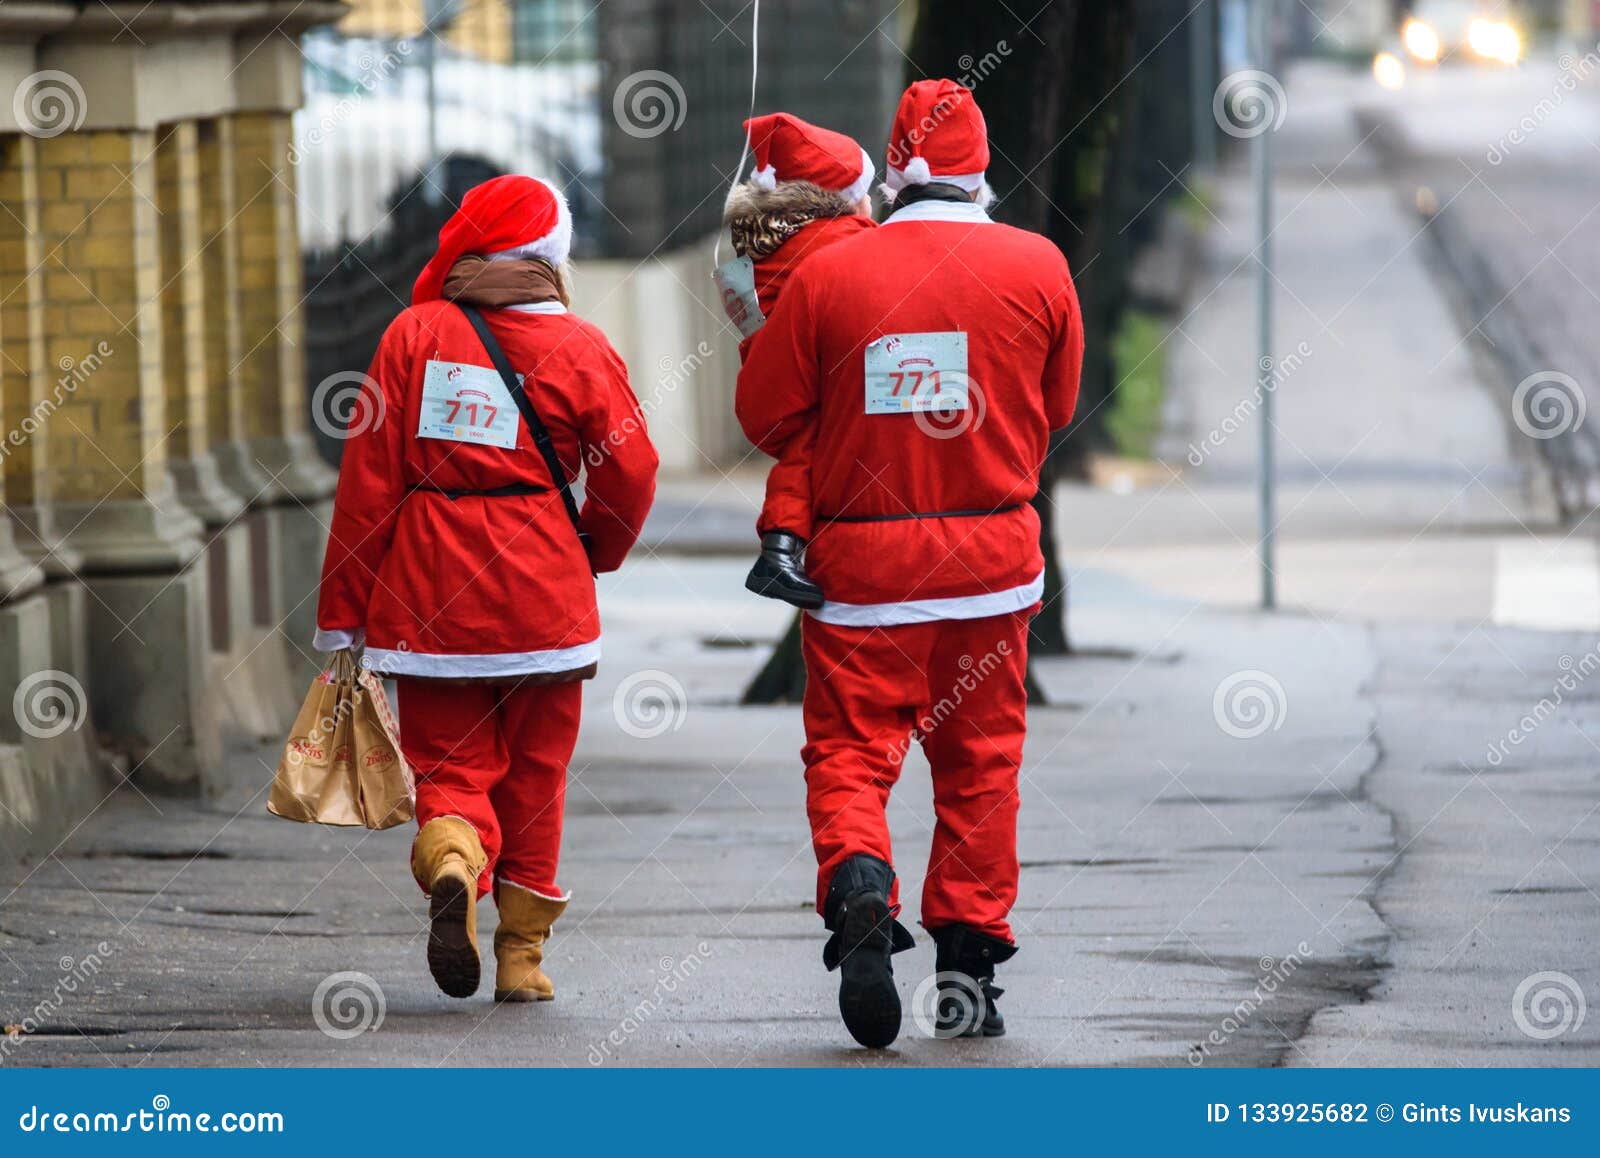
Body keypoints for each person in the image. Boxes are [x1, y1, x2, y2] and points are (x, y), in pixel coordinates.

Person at [735, 80, 1084, 1048]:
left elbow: (766, 417)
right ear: (983, 174)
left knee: (850, 751)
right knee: (979, 766)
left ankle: (858, 878)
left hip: (861, 572)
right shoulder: (1039, 265)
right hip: (991, 563)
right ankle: (968, 970)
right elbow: (1055, 410)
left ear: (891, 173)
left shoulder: (829, 278)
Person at [314, 175, 659, 1003]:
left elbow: (367, 483)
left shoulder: (413, 334)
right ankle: (521, 959)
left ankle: (455, 860)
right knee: (538, 771)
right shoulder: (582, 348)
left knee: (449, 763)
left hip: (429, 597)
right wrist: (594, 551)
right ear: (552, 258)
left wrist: (344, 615)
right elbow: (633, 471)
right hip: (545, 594)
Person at [716, 113, 876, 610]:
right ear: (843, 198)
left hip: (778, 363)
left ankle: (780, 548)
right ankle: (778, 550)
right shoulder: (843, 240)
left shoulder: (773, 239)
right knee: (815, 437)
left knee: (804, 443)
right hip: (813, 362)